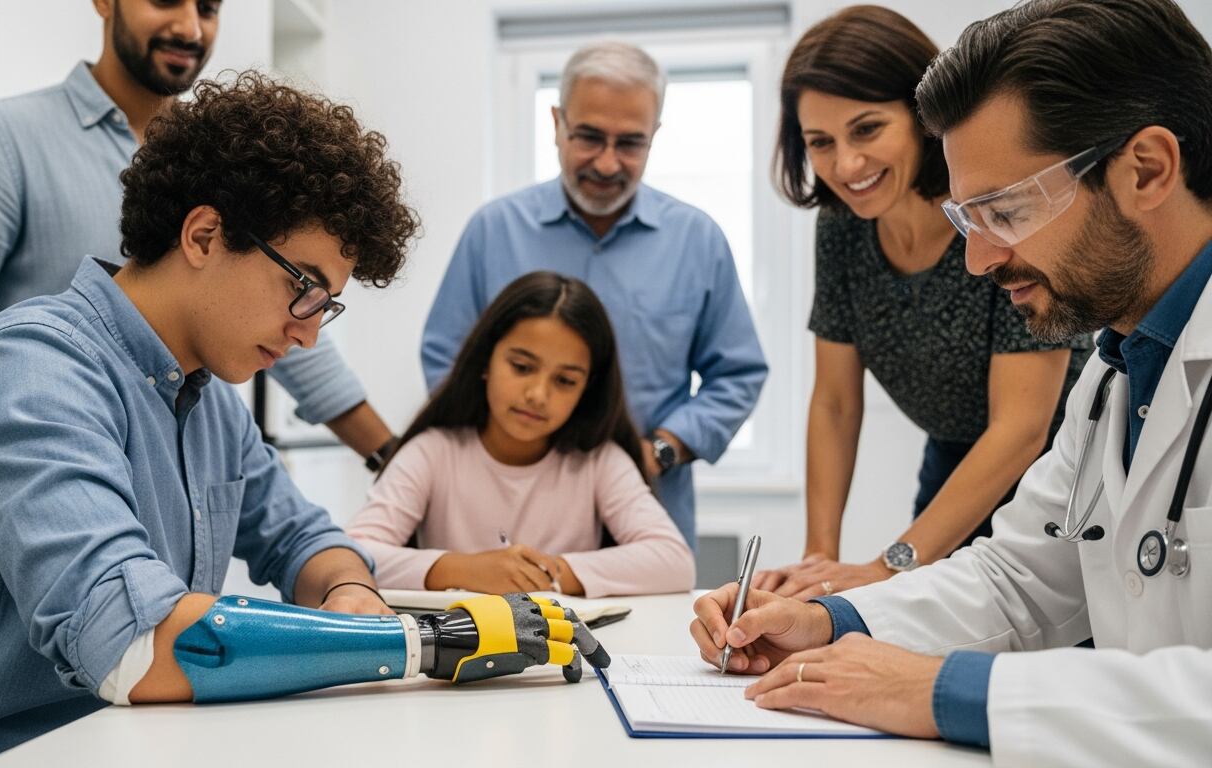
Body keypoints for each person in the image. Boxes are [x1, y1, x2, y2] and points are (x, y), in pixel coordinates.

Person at [0, 74, 608, 768]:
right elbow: (134, 645)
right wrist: (418, 641)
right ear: (203, 236)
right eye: (304, 289)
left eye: (327, 305)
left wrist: (350, 592)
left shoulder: (209, 398)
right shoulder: (32, 371)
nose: (309, 333)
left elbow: (303, 539)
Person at [690, 0, 1212, 762]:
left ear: (1147, 170)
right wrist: (833, 620)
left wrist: (942, 691)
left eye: (1005, 210)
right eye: (971, 220)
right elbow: (1020, 576)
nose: (978, 262)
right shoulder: (1113, 371)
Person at [0, 0, 400, 605]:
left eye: (210, 7)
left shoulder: (237, 184)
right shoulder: (6, 144)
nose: (191, 27)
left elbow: (291, 329)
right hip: (36, 480)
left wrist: (393, 459)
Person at [752, 5, 1091, 600]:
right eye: (820, 143)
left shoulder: (989, 213)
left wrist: (888, 567)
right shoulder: (842, 226)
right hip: (954, 464)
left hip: (1063, 468)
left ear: (919, 117)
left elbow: (1020, 428)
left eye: (866, 129)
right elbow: (834, 403)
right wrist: (818, 562)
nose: (846, 165)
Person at [420, 41, 768, 549]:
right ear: (557, 123)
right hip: (503, 517)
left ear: (655, 138)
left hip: (646, 514)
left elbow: (738, 374)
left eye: (630, 143)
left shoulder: (698, 240)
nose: (607, 163)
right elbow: (447, 359)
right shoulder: (494, 231)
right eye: (588, 137)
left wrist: (661, 451)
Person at [348, 272, 695, 597]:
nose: (538, 395)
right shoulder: (433, 452)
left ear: (587, 390)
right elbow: (351, 556)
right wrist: (465, 570)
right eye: (522, 367)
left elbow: (675, 561)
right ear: (486, 360)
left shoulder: (600, 460)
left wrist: (547, 572)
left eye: (565, 381)